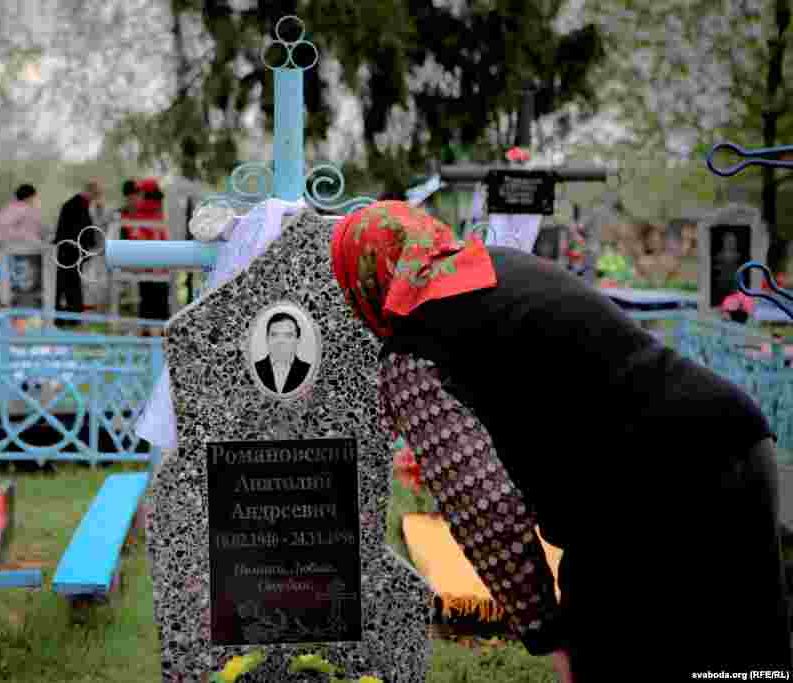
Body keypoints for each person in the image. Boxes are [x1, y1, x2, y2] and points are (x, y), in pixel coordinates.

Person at [329, 201, 791, 681]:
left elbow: (484, 507)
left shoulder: (415, 349)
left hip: (641, 501)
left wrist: (546, 631)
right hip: (735, 439)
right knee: (746, 657)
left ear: (362, 281)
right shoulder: (501, 266)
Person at [120, 178, 170, 331]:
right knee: (154, 302)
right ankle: (153, 333)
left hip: (153, 266)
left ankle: (150, 333)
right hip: (153, 267)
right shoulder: (149, 216)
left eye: (140, 193)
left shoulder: (147, 216)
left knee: (151, 302)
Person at [54, 179, 103, 326]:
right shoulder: (78, 205)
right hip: (71, 250)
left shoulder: (76, 203)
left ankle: (65, 317)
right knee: (70, 285)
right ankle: (71, 318)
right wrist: (88, 247)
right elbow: (83, 229)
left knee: (66, 284)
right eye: (97, 194)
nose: (97, 198)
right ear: (91, 191)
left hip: (69, 249)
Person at [253, 311, 312, 394]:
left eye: (288, 335)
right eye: (274, 335)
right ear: (267, 338)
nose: (280, 341)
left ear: (298, 339)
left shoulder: (309, 371)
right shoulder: (254, 370)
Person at [0, 184, 44, 263]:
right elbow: (29, 232)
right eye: (34, 196)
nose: (35, 199)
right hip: (17, 249)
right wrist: (35, 241)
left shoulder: (9, 208)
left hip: (3, 249)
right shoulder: (25, 209)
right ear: (30, 196)